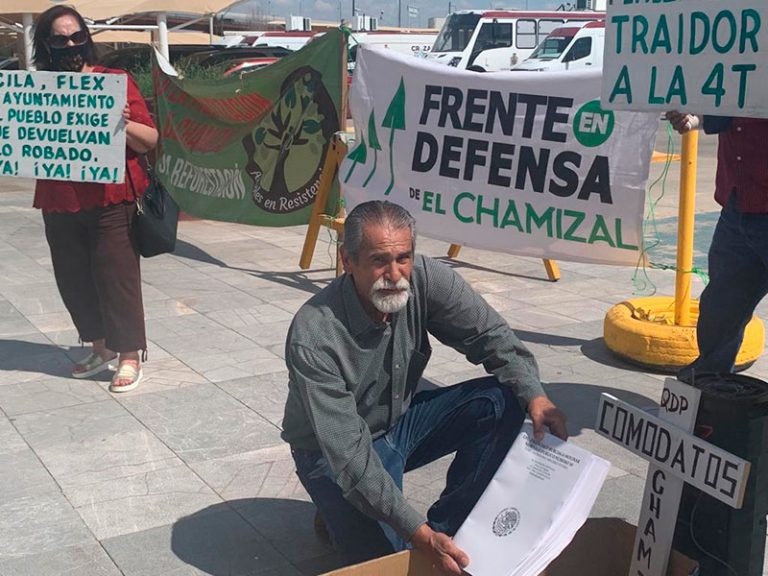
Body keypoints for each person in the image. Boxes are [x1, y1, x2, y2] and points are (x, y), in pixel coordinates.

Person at [282, 200, 568, 574]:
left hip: (398, 423)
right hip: (330, 453)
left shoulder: (426, 279)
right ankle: (343, 511)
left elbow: (491, 335)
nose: (395, 273)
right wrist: (415, 533)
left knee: (501, 401)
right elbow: (350, 456)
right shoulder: (315, 333)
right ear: (347, 261)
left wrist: (537, 395)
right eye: (378, 260)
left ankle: (448, 533)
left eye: (403, 257)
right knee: (394, 563)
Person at [32, 6, 158, 392]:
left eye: (76, 36)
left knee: (116, 278)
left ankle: (129, 354)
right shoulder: (37, 88)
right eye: (59, 38)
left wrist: (123, 120)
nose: (70, 44)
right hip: (59, 200)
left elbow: (150, 140)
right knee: (73, 279)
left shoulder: (114, 81)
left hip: (112, 198)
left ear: (87, 38)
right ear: (46, 44)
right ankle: (100, 347)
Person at [666, 111, 768, 380]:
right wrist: (695, 118)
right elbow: (731, 108)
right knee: (720, 309)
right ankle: (711, 390)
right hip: (740, 202)